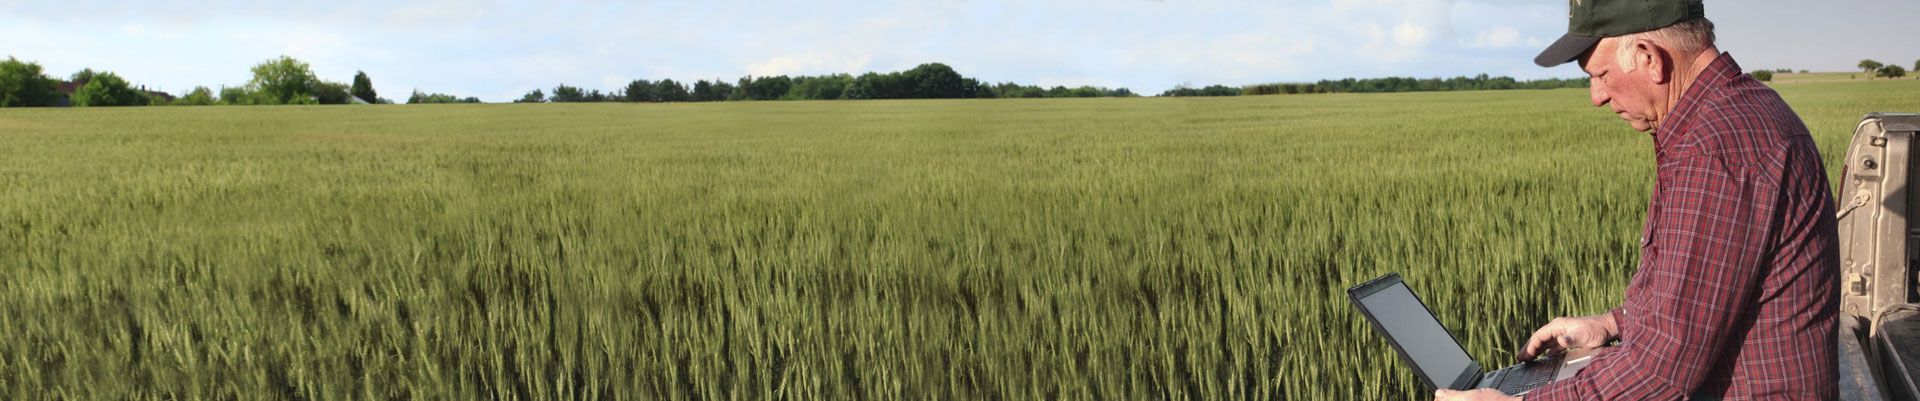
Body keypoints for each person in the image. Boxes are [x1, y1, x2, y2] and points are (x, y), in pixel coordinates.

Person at [1435, 1, 1840, 400]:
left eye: (1601, 74)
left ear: (1649, 58)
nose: (1596, 96)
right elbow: (1699, 300)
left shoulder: (1716, 150)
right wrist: (1612, 323)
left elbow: (1663, 368)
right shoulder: (1727, 117)